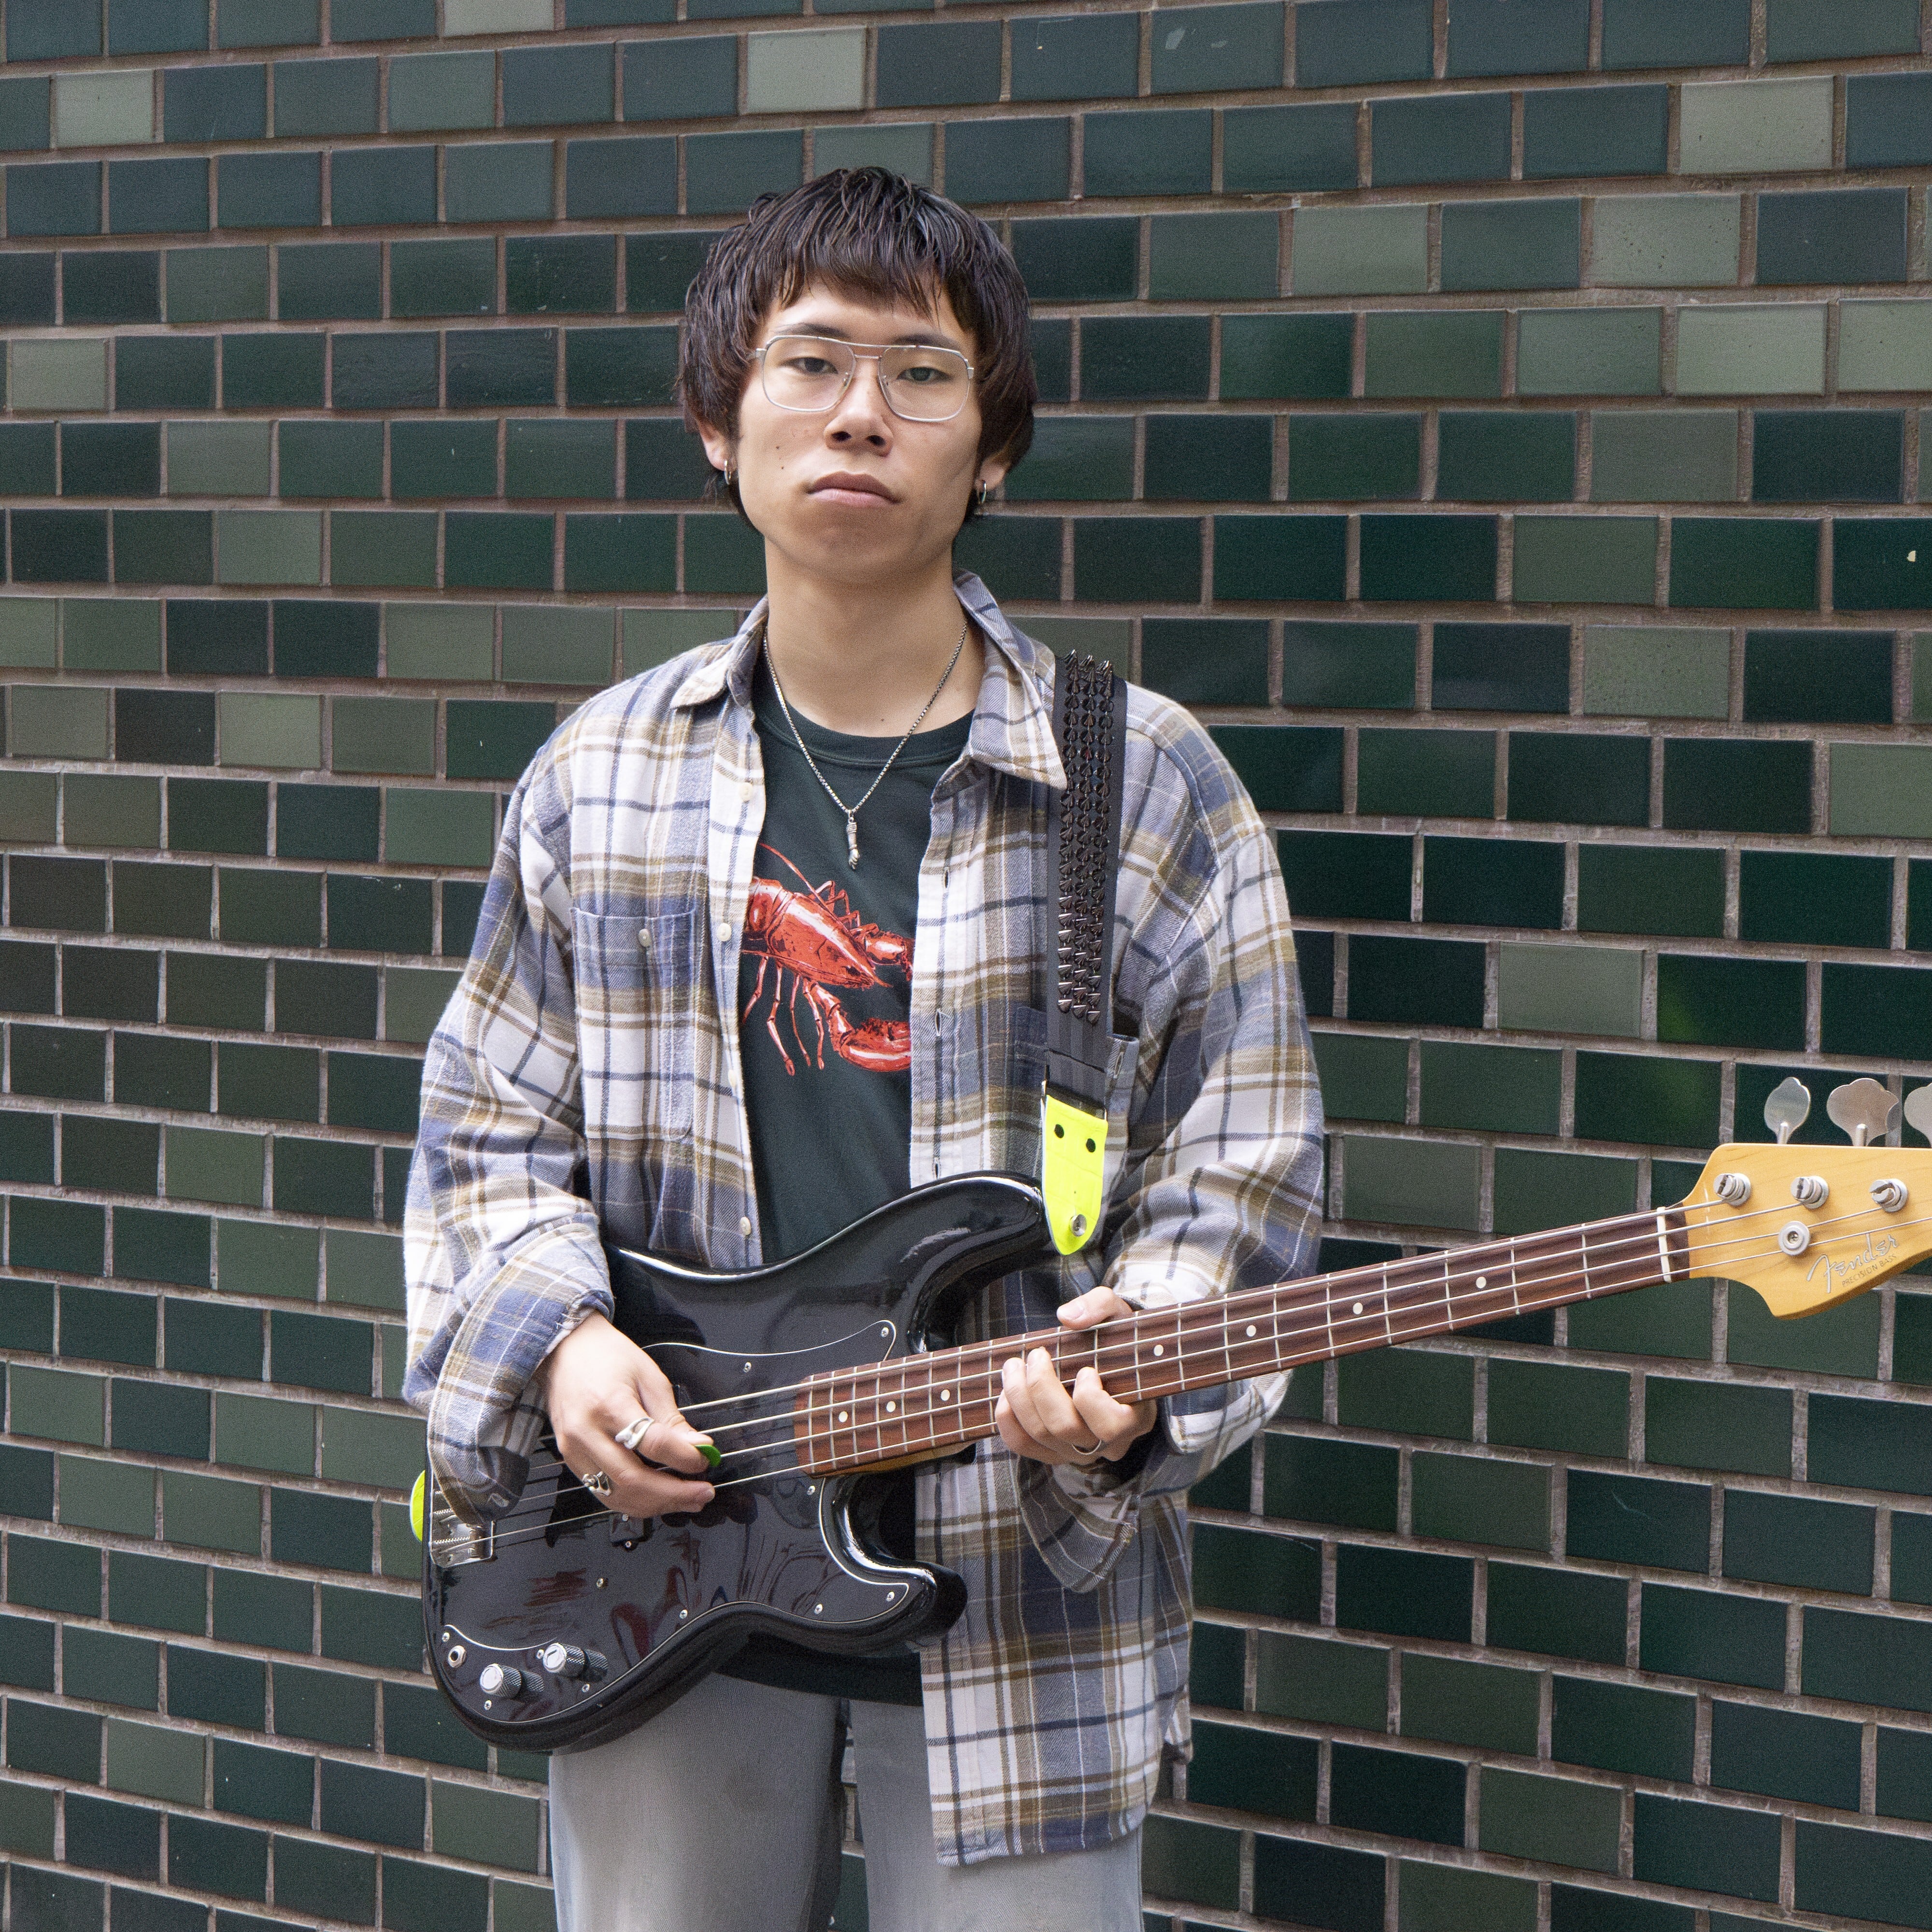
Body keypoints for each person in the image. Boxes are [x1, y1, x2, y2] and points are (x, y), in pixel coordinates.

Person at [404, 167, 1323, 1932]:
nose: (859, 414)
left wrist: (1138, 1368)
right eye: (812, 362)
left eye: (921, 372)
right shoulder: (600, 775)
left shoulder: (1142, 782)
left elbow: (1245, 1171)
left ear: (992, 449)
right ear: (719, 420)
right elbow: (485, 1134)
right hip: (652, 1579)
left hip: (1026, 1610)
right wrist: (562, 1341)